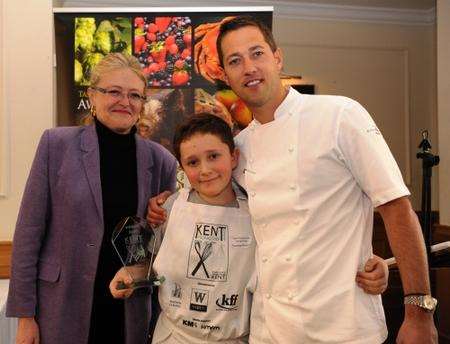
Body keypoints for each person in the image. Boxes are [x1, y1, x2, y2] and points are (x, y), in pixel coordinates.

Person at [149, 16, 438, 344]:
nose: (248, 67)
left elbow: (396, 207)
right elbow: (206, 200)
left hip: (342, 328)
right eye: (235, 61)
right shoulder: (240, 147)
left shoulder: (340, 115)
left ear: (277, 57)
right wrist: (161, 206)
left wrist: (418, 309)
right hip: (268, 330)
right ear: (226, 75)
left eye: (257, 53)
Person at [111, 114, 388, 343]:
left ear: (233, 157)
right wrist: (130, 274)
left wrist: (374, 264)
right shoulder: (169, 208)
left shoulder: (259, 212)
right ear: (182, 167)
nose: (205, 170)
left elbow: (306, 253)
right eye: (193, 162)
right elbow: (149, 264)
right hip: (174, 335)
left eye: (214, 156)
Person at [6, 52, 177, 344]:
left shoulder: (161, 161)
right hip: (61, 306)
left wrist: (161, 219)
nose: (125, 101)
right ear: (92, 96)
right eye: (113, 92)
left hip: (129, 309)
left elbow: (165, 247)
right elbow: (28, 233)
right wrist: (25, 316)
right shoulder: (55, 145)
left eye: (134, 95)